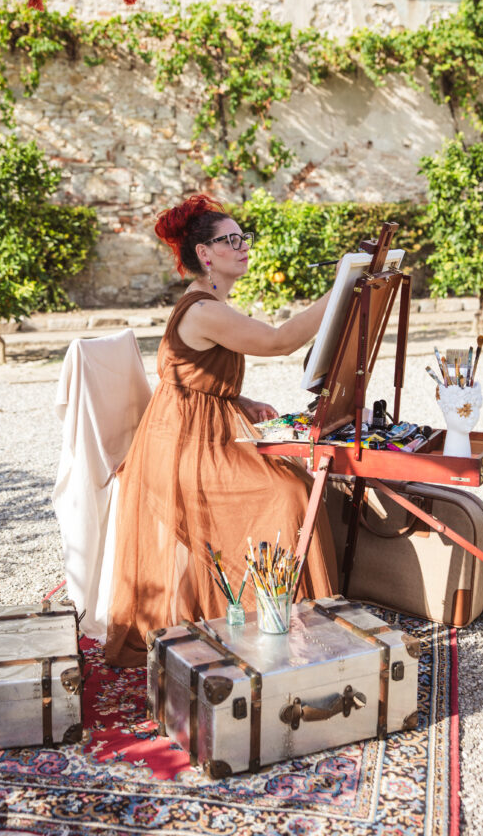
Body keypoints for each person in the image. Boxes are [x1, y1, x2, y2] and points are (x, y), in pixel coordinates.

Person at [105, 194, 339, 667]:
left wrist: (240, 400)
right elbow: (279, 341)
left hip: (204, 430)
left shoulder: (211, 303)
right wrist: (340, 289)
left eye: (242, 237)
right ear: (205, 255)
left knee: (294, 479)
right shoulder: (203, 309)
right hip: (184, 447)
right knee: (287, 494)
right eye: (229, 240)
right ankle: (276, 620)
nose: (242, 246)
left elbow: (193, 373)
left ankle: (276, 612)